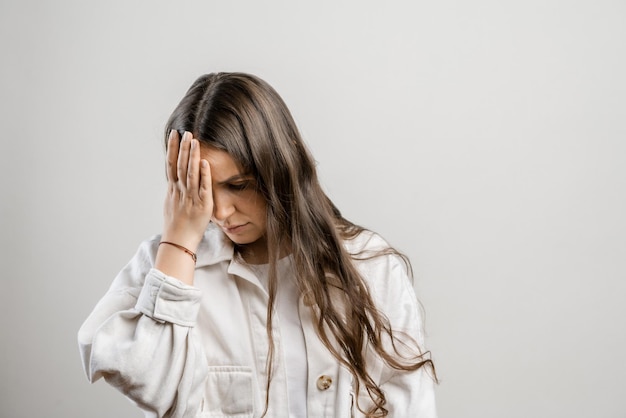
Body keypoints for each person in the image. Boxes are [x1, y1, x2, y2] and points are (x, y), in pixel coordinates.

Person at [78, 72, 437, 418]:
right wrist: (180, 241)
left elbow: (410, 406)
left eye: (238, 185)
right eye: (199, 187)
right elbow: (150, 387)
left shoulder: (368, 266)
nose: (219, 211)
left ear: (280, 167)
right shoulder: (165, 265)